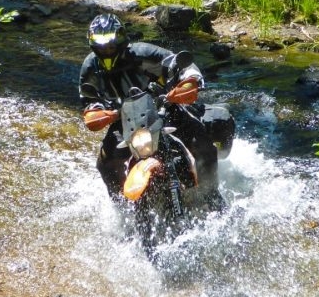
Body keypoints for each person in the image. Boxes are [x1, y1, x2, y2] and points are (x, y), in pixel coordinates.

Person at [78, 14, 234, 197]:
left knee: (201, 143)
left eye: (111, 46)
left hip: (165, 109)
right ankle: (121, 205)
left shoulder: (141, 53)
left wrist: (189, 82)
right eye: (101, 47)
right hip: (123, 120)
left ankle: (210, 194)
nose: (107, 51)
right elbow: (89, 100)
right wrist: (95, 114)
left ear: (121, 40)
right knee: (105, 162)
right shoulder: (91, 67)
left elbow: (180, 64)